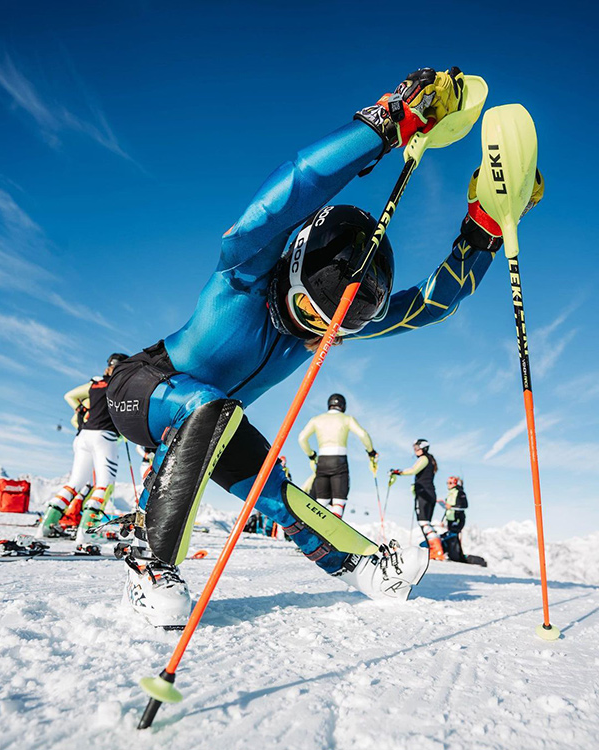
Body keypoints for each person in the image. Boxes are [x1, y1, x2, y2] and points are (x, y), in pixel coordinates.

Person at [106, 66, 543, 628]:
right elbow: (293, 189)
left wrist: (480, 230)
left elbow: (431, 306)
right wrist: (387, 123)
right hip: (143, 390)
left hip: (212, 419)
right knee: (207, 408)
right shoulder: (245, 270)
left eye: (329, 328)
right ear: (289, 275)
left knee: (274, 487)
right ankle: (148, 567)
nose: (317, 331)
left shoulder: (333, 322)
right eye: (310, 312)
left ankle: (361, 564)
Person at [39, 353, 128, 542]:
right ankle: (87, 533)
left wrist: (81, 410)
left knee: (75, 483)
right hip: (105, 436)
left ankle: (46, 525)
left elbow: (69, 396)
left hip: (83, 436)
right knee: (104, 485)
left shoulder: (95, 384)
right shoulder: (122, 386)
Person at [298, 394, 377, 518]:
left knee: (321, 501)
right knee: (338, 502)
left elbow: (302, 438)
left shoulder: (316, 419)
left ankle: (315, 528)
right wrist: (371, 451)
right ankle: (333, 527)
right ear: (343, 406)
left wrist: (311, 454)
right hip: (339, 461)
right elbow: (363, 434)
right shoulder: (347, 419)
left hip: (322, 461)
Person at [390, 439, 445, 560]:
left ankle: (437, 550)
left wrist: (398, 472)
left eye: (417, 448)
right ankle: (435, 549)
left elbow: (413, 470)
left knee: (423, 522)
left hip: (424, 493)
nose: (415, 451)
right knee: (426, 523)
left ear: (423, 448)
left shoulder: (424, 459)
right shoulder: (430, 460)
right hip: (429, 493)